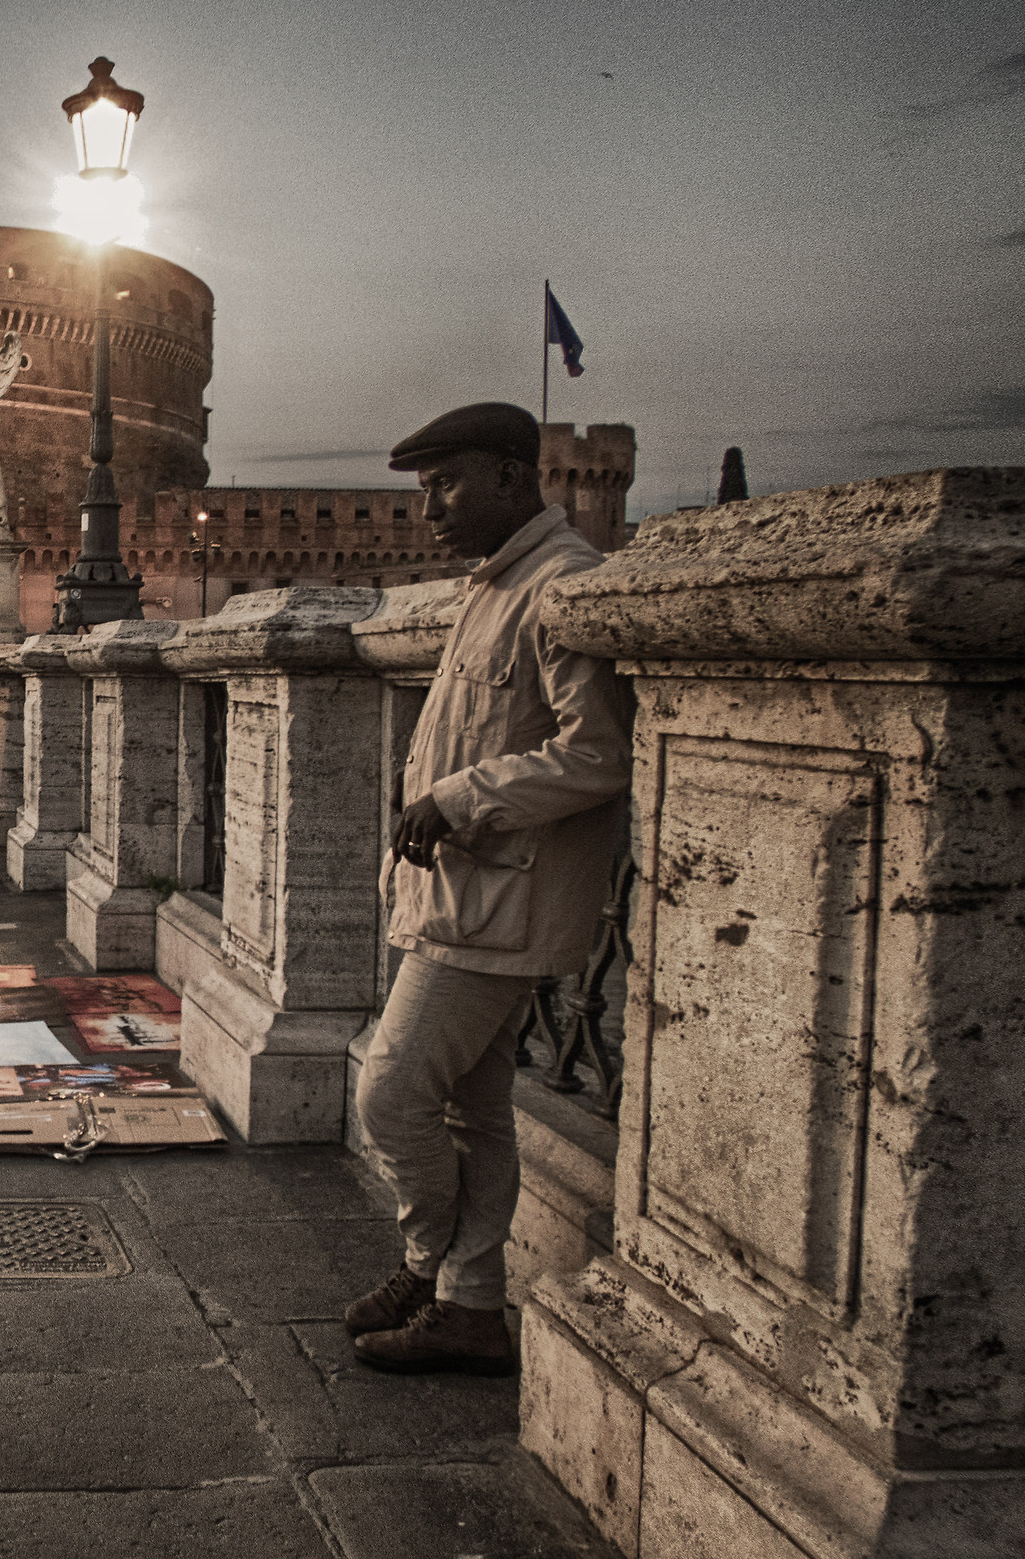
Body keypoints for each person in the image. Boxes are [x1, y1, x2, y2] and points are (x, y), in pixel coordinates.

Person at [345, 401, 631, 1378]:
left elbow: (598, 754)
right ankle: (469, 1302)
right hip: (463, 895)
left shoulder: (562, 587)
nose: (429, 508)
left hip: (499, 905)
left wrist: (463, 795)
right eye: (424, 489)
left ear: (516, 475)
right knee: (475, 1109)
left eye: (447, 483)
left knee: (389, 1092)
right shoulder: (493, 588)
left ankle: (435, 1271)